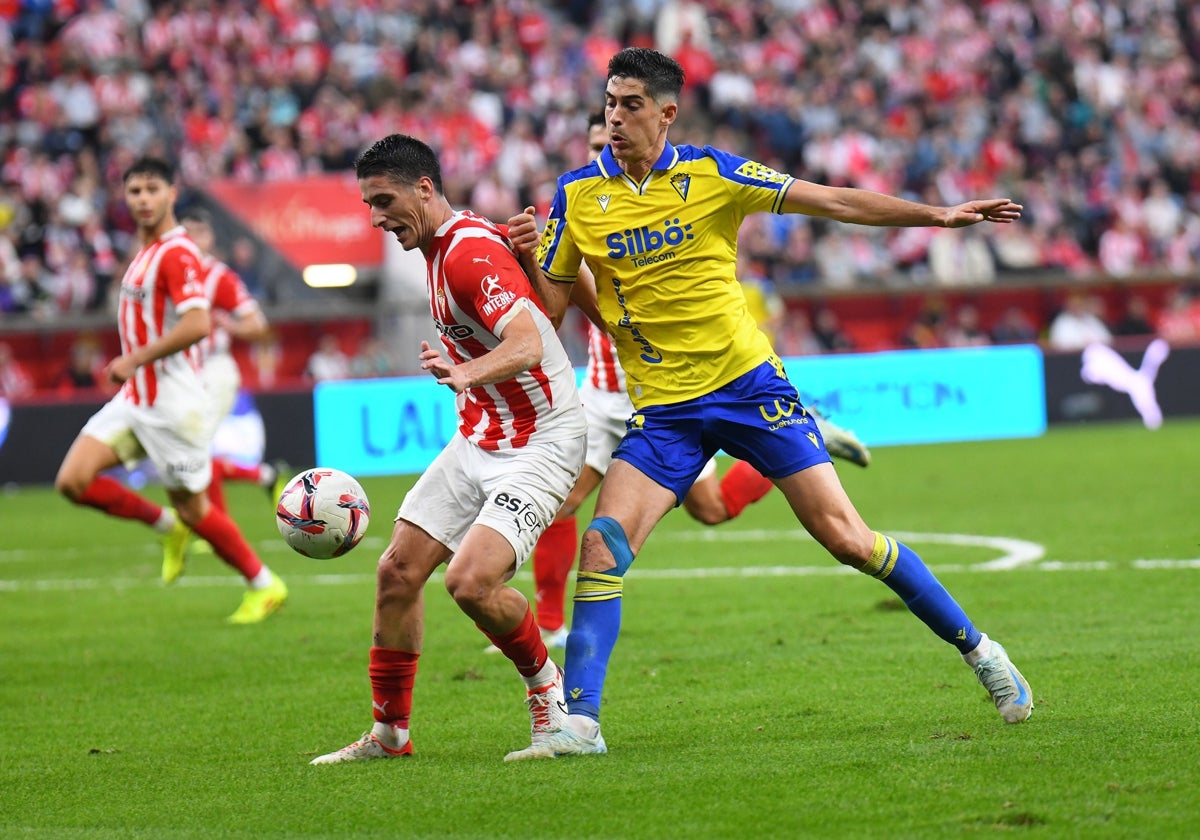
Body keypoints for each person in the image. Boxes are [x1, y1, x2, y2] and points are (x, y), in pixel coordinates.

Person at [504, 48, 1032, 760]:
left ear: (666, 113)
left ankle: (982, 652)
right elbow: (557, 308)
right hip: (663, 412)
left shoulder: (714, 173)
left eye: (630, 104)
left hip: (750, 389)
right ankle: (582, 725)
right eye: (608, 103)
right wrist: (534, 258)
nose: (615, 117)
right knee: (602, 547)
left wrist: (936, 215)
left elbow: (834, 200)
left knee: (848, 539)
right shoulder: (576, 197)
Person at [516, 112, 872, 651]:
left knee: (711, 510)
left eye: (606, 141)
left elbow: (607, 310)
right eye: (594, 145)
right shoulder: (581, 207)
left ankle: (801, 442)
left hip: (669, 394)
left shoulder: (651, 203)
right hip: (605, 396)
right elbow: (569, 304)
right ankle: (548, 622)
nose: (603, 153)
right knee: (562, 505)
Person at [310, 134, 588, 764]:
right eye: (368, 204)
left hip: (542, 439)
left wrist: (466, 374)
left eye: (384, 200)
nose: (376, 217)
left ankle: (551, 703)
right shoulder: (440, 247)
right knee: (398, 572)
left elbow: (526, 341)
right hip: (481, 433)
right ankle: (389, 735)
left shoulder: (466, 253)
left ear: (424, 189)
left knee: (470, 582)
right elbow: (549, 311)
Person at [53, 157, 288, 624]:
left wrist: (135, 358)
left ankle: (264, 583)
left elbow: (199, 323)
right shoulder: (144, 251)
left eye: (152, 189)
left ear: (171, 193)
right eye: (134, 190)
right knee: (72, 481)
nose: (143, 199)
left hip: (171, 404)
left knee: (198, 509)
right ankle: (165, 526)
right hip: (134, 399)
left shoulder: (177, 252)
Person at [178, 206, 288, 520]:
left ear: (211, 238)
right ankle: (263, 476)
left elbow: (257, 324)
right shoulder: (170, 272)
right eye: (188, 231)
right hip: (183, 370)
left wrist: (230, 326)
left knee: (195, 447)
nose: (194, 238)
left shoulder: (219, 277)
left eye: (201, 231)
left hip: (214, 368)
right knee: (189, 450)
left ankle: (214, 523)